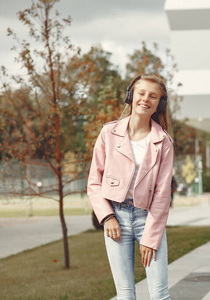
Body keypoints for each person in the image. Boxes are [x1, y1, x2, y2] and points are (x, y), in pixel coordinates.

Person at [87, 74, 173, 300]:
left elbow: (163, 195)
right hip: (116, 215)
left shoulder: (164, 142)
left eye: (153, 96)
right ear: (130, 96)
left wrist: (151, 236)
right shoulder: (108, 133)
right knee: (125, 294)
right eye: (141, 93)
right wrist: (107, 217)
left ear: (159, 104)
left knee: (160, 294)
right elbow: (94, 182)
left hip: (149, 218)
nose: (146, 99)